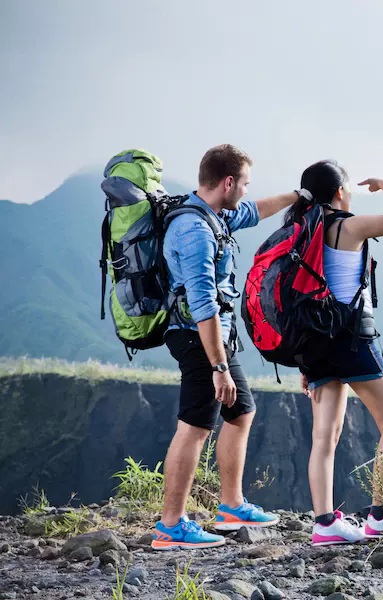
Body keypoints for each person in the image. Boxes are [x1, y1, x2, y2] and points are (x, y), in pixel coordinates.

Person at [151, 144, 303, 550]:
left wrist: (298, 197)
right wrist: (218, 367)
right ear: (228, 182)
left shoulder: (215, 214)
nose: (248, 192)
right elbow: (202, 302)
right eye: (245, 184)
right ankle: (171, 526)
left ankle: (231, 506)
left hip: (216, 336)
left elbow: (255, 211)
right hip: (197, 336)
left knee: (241, 411)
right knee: (196, 426)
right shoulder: (195, 229)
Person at [284, 160, 383, 546]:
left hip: (315, 345)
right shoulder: (348, 225)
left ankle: (325, 524)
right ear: (340, 192)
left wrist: (303, 359)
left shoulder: (300, 231)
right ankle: (381, 516)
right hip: (352, 342)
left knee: (324, 437)